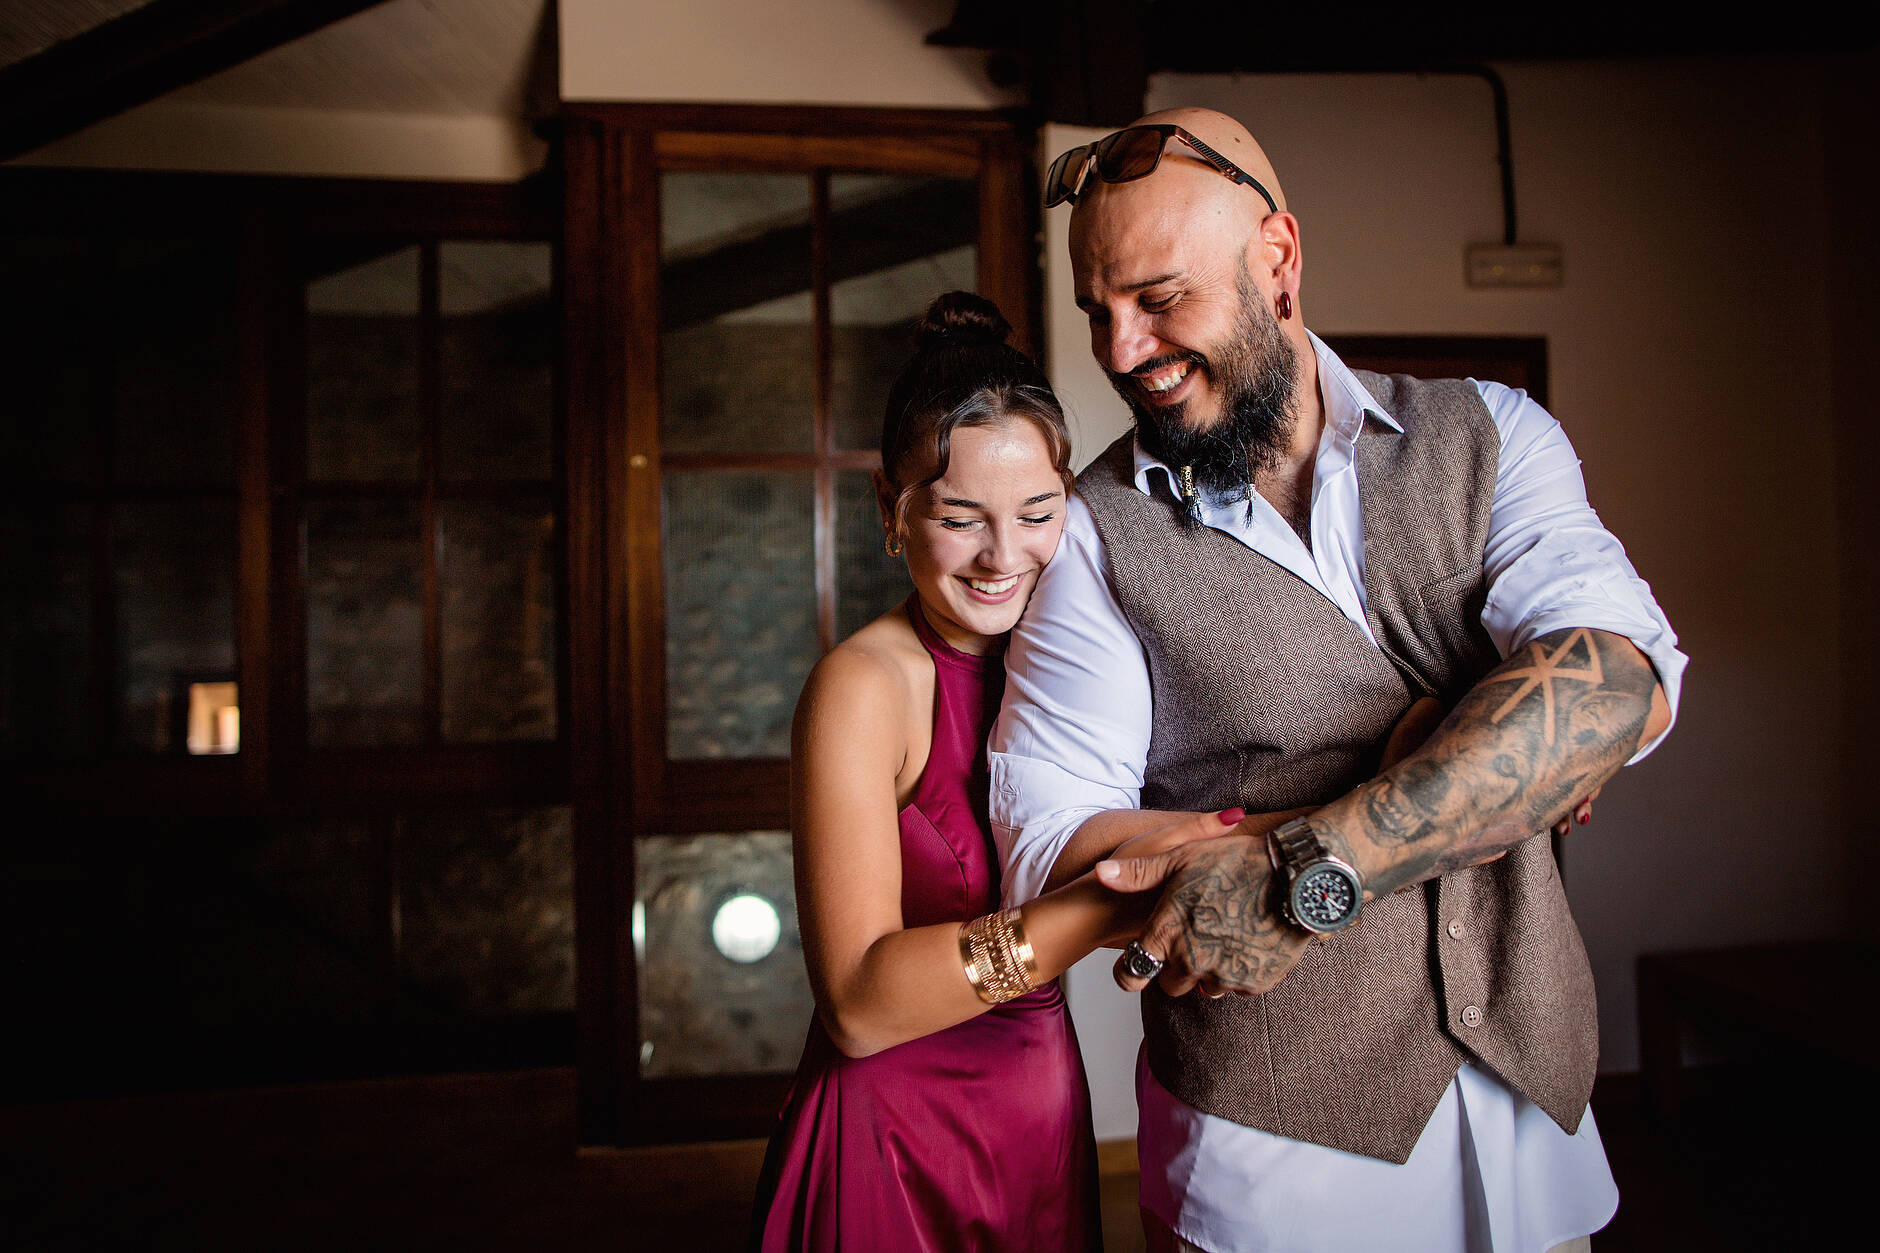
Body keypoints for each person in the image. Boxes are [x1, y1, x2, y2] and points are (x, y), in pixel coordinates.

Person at [990, 110, 1688, 1253]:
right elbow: (1048, 831)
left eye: (1158, 298)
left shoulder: (1493, 433)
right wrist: (1473, 753)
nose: (1119, 351)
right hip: (1269, 1165)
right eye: (1095, 310)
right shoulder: (1088, 536)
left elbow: (1617, 681)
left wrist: (1304, 871)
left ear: (1276, 260)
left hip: (1530, 1128)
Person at [750, 291, 1222, 1252]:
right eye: (961, 518)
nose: (1006, 559)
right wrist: (1104, 901)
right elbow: (858, 1003)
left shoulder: (1086, 656)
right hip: (893, 1134)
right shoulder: (861, 688)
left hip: (1039, 1110)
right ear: (894, 509)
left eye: (1038, 513)